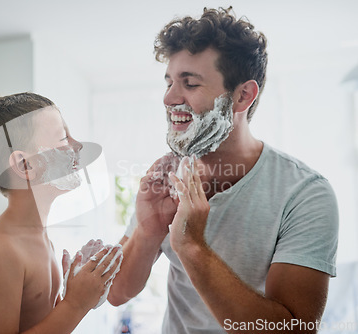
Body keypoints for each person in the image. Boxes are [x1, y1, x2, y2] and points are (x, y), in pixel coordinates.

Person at [108, 7, 338, 334]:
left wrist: (191, 247)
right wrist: (148, 230)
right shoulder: (166, 179)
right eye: (170, 81)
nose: (169, 97)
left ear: (243, 95)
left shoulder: (304, 193)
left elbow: (295, 329)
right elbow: (117, 293)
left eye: (189, 83)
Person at [0, 92, 122, 334]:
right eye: (64, 138)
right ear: (26, 165)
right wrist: (76, 304)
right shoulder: (2, 249)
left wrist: (76, 290)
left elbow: (36, 322)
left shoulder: (39, 238)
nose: (77, 146)